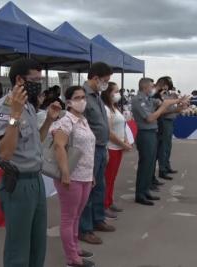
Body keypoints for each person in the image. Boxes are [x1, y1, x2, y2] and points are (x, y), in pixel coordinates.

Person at [0, 58, 61, 267]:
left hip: (35, 180)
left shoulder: (28, 106)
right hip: (18, 183)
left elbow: (34, 142)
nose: (38, 84)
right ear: (19, 79)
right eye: (34, 80)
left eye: (40, 80)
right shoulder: (7, 108)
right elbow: (5, 152)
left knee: (38, 243)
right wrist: (14, 115)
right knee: (18, 248)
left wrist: (48, 120)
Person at [51, 85, 96, 267]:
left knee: (77, 215)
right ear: (68, 102)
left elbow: (88, 149)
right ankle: (72, 258)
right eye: (77, 97)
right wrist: (65, 173)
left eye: (83, 97)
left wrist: (91, 174)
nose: (82, 100)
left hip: (85, 175)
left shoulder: (83, 120)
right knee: (69, 217)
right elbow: (58, 146)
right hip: (71, 176)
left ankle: (75, 247)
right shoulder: (66, 121)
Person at [132, 78, 187, 206]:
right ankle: (140, 194)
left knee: (150, 164)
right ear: (145, 87)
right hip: (145, 134)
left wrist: (178, 104)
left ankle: (145, 190)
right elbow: (150, 118)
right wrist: (163, 107)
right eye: (152, 86)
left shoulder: (148, 99)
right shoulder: (138, 100)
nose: (155, 89)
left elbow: (165, 105)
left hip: (152, 133)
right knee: (145, 165)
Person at [79, 62, 114, 245]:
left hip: (100, 147)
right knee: (87, 190)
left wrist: (105, 147)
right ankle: (85, 229)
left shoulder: (97, 96)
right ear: (95, 78)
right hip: (88, 150)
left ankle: (97, 219)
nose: (106, 84)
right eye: (105, 81)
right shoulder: (82, 96)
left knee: (99, 185)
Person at [101, 82, 132, 219]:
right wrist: (122, 144)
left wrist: (125, 140)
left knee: (112, 178)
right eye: (116, 91)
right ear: (108, 93)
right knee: (107, 178)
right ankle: (104, 205)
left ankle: (109, 201)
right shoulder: (106, 109)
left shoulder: (114, 108)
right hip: (111, 147)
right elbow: (109, 132)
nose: (118, 94)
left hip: (118, 147)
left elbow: (122, 126)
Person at [156, 76, 185, 181]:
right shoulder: (160, 96)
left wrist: (179, 107)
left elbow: (172, 107)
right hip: (164, 121)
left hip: (170, 121)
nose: (168, 86)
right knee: (163, 147)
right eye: (166, 84)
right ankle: (162, 169)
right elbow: (162, 110)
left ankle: (167, 166)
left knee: (168, 146)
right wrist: (175, 110)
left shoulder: (170, 95)